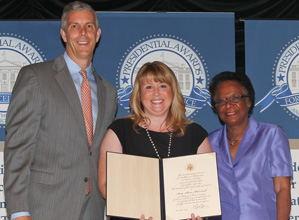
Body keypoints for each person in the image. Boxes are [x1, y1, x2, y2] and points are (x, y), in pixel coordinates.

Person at [4, 1, 117, 220]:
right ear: (64, 34)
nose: (83, 33)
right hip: (45, 209)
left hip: (93, 211)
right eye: (75, 26)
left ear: (98, 33)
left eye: (89, 26)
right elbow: (17, 150)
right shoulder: (36, 77)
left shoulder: (109, 92)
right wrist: (19, 212)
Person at [98, 61, 212, 220]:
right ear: (139, 94)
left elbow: (207, 191)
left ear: (173, 92)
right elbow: (105, 186)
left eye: (163, 86)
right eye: (148, 87)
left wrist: (201, 216)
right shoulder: (120, 131)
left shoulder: (195, 134)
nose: (156, 93)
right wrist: (133, 211)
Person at [208, 71, 292, 220]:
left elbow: (282, 188)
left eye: (235, 98)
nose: (228, 105)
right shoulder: (209, 142)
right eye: (221, 100)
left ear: (248, 101)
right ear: (216, 107)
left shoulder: (272, 135)